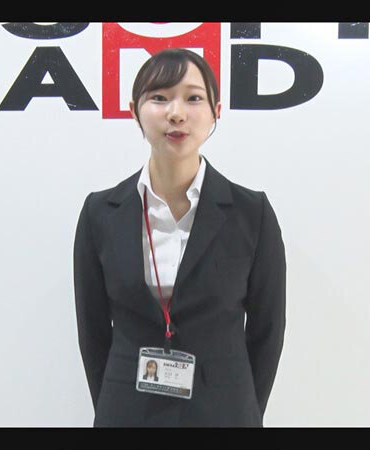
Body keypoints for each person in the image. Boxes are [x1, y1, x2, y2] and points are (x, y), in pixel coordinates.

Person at [74, 48, 286, 427]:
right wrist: (114, 402)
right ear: (134, 110)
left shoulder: (251, 213)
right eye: (159, 97)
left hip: (224, 414)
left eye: (193, 98)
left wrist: (244, 411)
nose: (176, 113)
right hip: (128, 414)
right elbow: (92, 333)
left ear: (216, 111)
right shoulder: (100, 213)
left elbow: (267, 332)